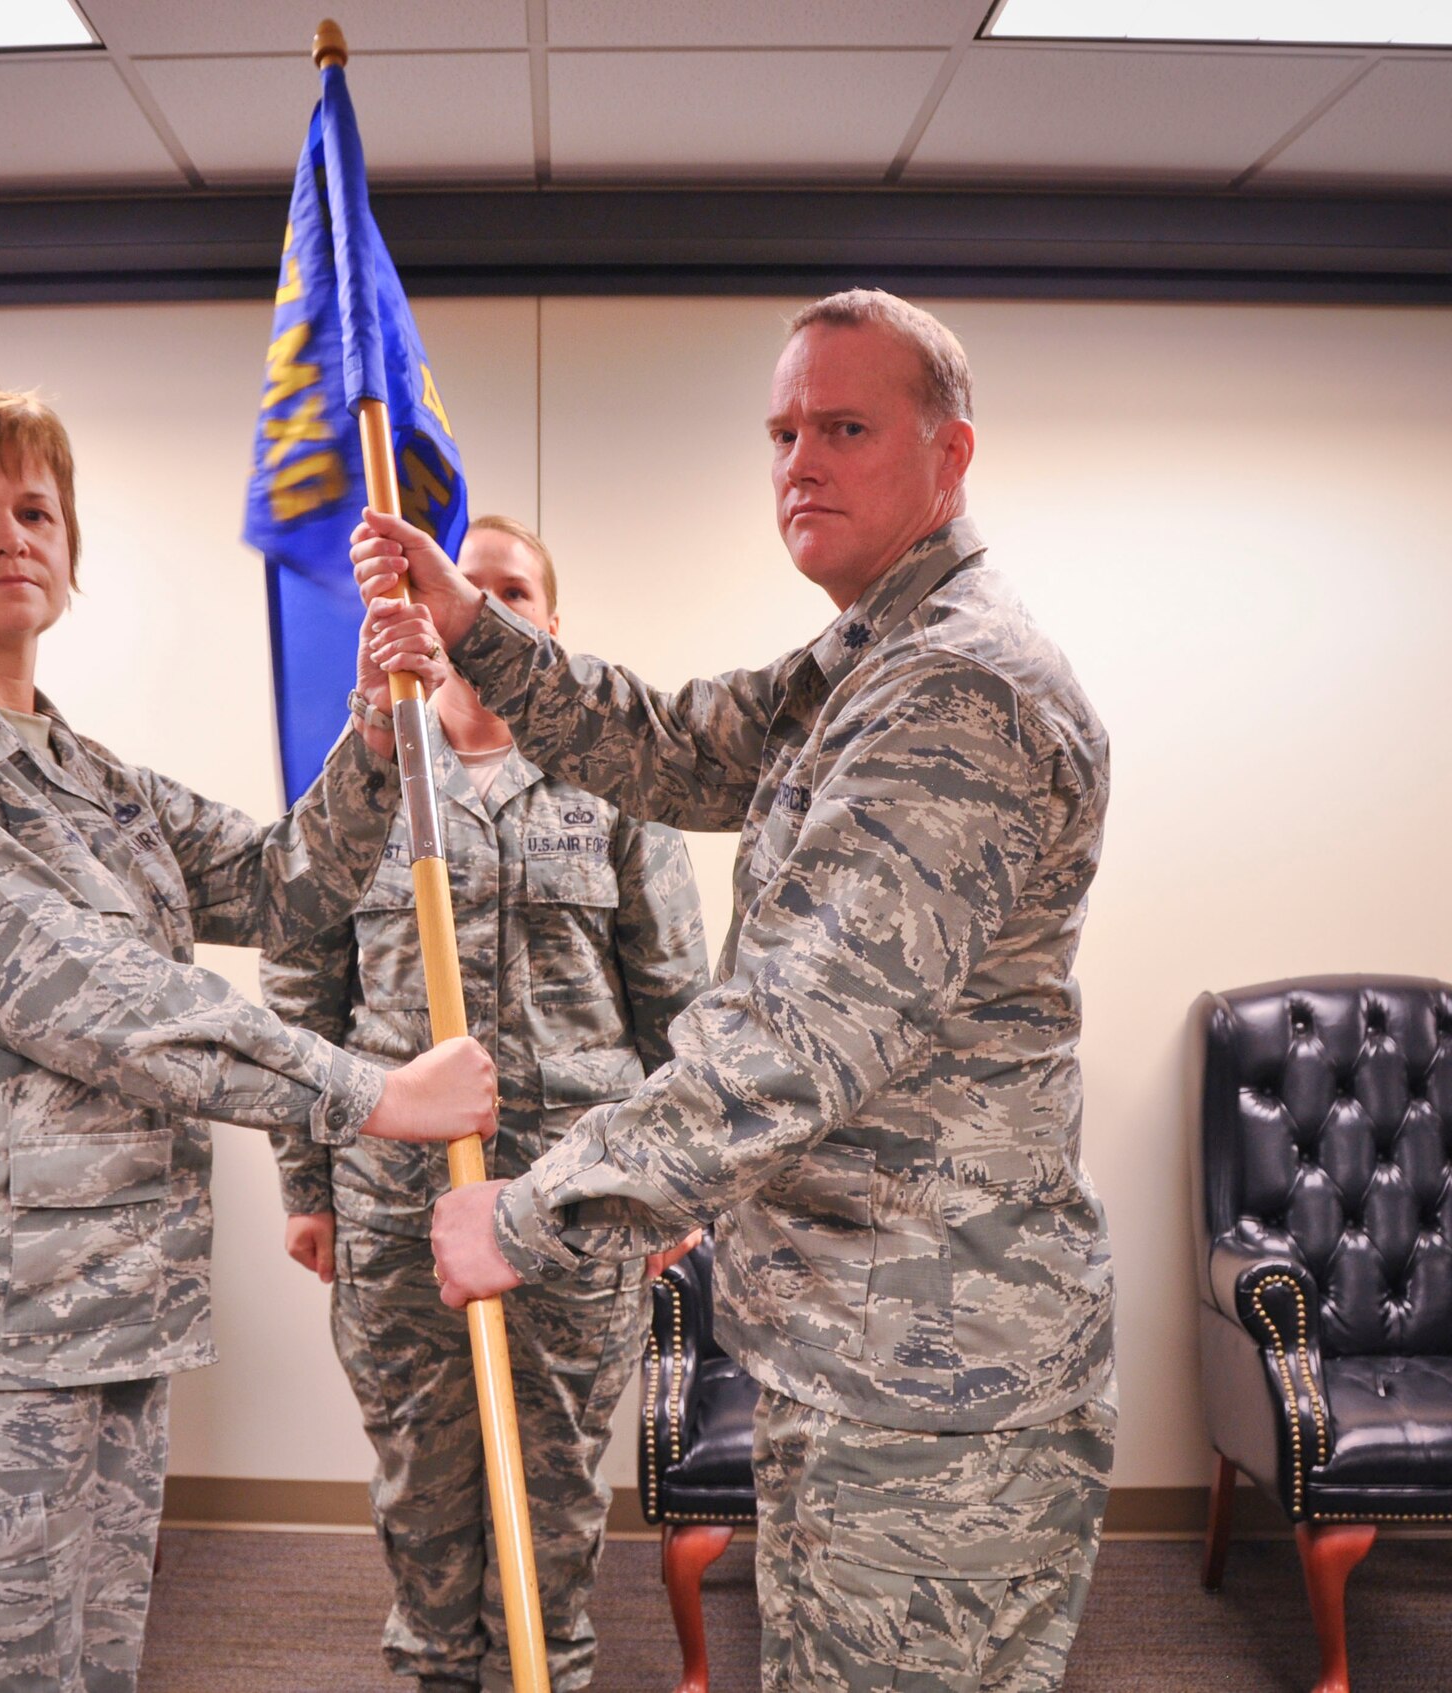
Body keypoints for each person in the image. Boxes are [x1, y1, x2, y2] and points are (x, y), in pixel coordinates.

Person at [354, 291, 1116, 1693]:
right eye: (781, 431)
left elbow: (784, 1037)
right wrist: (473, 625)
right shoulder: (870, 658)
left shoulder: (958, 689)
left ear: (949, 459)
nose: (799, 464)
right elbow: (675, 745)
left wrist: (530, 1213)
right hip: (864, 1346)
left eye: (845, 427)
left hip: (932, 1384)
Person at [0, 374, 496, 1693]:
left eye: (37, 509)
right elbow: (102, 1002)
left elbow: (285, 885)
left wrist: (377, 731)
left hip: (101, 1328)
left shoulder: (88, 776)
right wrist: (373, 1094)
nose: (13, 536)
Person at [263, 515, 710, 1693]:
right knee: (419, 1484)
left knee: (557, 1486)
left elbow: (675, 1002)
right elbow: (299, 994)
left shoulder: (615, 792)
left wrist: (668, 1192)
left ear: (546, 625)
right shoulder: (364, 783)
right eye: (463, 585)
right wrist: (305, 1188)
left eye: (511, 591)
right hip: (396, 1210)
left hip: (567, 1209)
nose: (487, 607)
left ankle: (542, 1676)